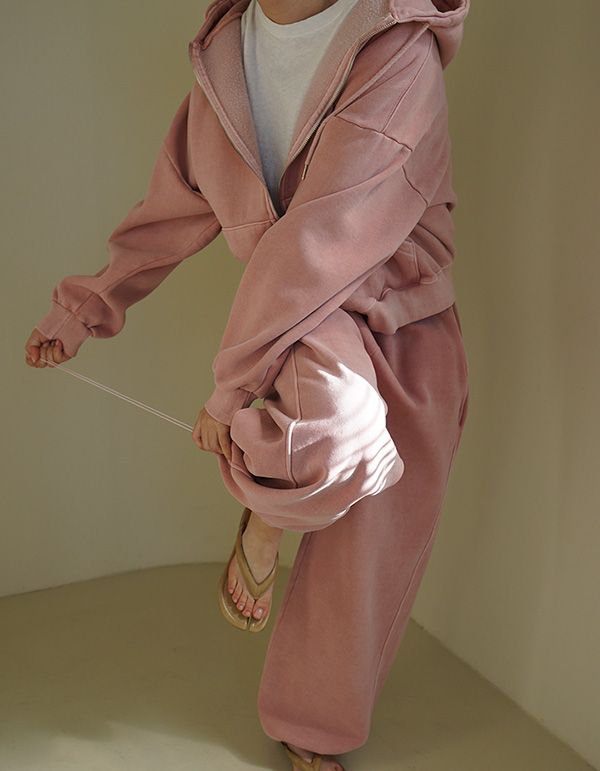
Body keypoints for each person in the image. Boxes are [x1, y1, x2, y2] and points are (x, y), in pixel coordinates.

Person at [25, 0, 470, 768]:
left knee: (379, 540)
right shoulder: (225, 60)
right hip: (294, 314)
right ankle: (266, 517)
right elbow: (172, 209)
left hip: (408, 305)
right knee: (333, 430)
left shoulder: (397, 46)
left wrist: (231, 392)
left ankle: (313, 726)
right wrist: (84, 307)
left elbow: (323, 239)